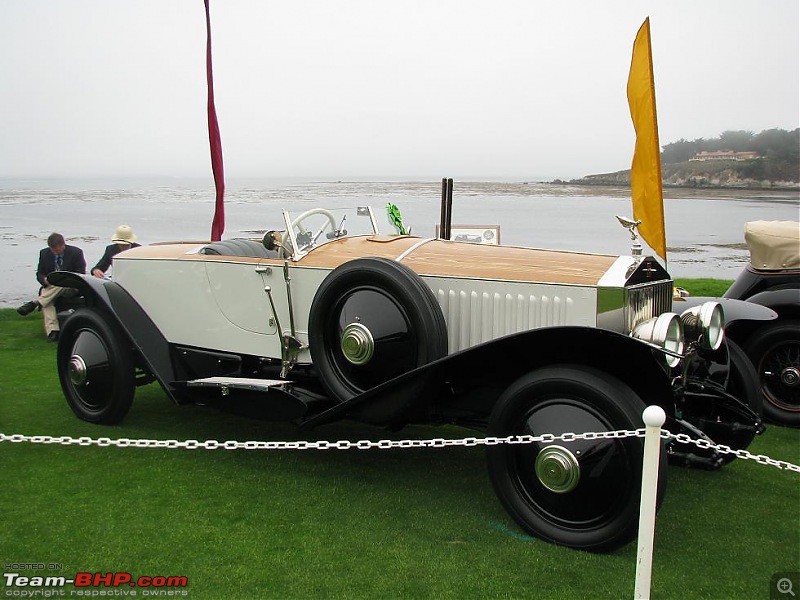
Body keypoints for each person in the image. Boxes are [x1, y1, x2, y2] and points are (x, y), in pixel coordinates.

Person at [17, 232, 86, 342]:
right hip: (50, 289)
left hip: (71, 287)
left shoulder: (76, 253)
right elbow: (39, 273)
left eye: (57, 250)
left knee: (59, 285)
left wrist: (62, 280)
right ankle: (53, 332)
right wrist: (44, 279)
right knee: (48, 301)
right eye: (53, 250)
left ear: (63, 245)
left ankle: (36, 302)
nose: (55, 252)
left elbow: (80, 274)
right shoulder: (44, 253)